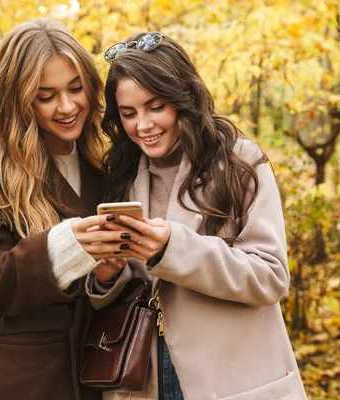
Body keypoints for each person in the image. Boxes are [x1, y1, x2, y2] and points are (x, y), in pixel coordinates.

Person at [84, 32, 308, 399]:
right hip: (144, 379)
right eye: (128, 113)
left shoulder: (241, 163)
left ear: (184, 98)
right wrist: (107, 277)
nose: (143, 125)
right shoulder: (121, 176)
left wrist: (172, 247)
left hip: (232, 379)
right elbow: (134, 290)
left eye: (155, 106)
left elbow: (270, 276)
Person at [0, 18, 128, 400]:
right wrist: (65, 247)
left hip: (96, 370)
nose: (67, 106)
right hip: (19, 376)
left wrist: (108, 275)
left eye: (76, 89)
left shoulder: (103, 165)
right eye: (46, 96)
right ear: (18, 99)